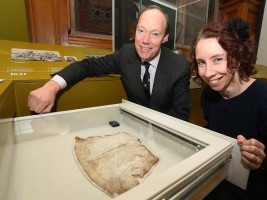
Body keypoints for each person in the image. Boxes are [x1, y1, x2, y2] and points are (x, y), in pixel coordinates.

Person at [190, 18, 267, 200]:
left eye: (217, 59)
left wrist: (261, 159)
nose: (208, 73)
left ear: (237, 57)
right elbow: (218, 127)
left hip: (258, 190)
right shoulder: (208, 95)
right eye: (201, 62)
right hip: (221, 182)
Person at [27, 5, 191, 121]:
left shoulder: (179, 67)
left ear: (165, 37)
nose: (145, 41)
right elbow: (88, 66)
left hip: (165, 134)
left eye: (155, 34)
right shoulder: (126, 54)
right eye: (141, 31)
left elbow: (181, 115)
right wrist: (51, 87)